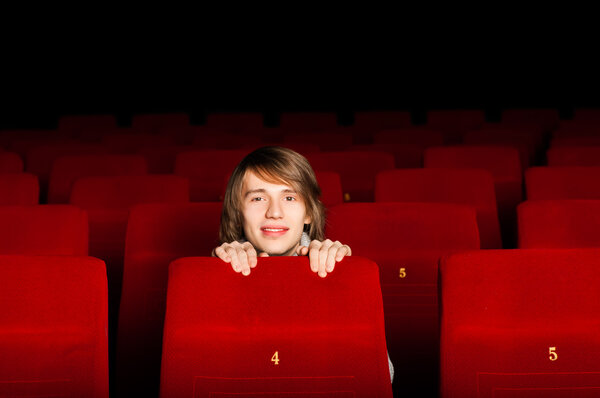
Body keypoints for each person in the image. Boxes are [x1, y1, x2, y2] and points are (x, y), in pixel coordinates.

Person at [212, 146, 394, 382]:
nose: (274, 212)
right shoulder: (217, 268)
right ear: (238, 212)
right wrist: (216, 278)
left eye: (289, 197)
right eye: (258, 198)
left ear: (308, 213)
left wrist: (346, 284)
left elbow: (384, 375)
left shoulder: (338, 268)